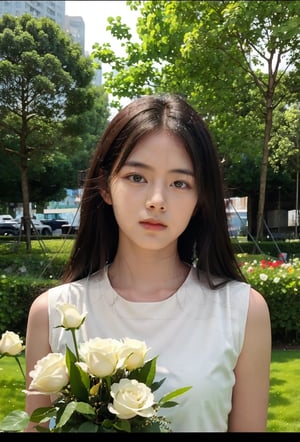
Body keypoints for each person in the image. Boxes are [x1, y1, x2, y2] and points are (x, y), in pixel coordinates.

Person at [25, 93, 272, 432]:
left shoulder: (243, 311)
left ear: (200, 199)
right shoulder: (53, 313)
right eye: (137, 177)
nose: (157, 201)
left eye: (180, 183)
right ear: (106, 187)